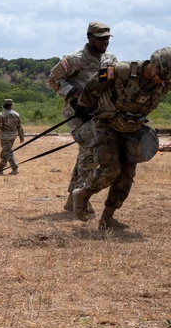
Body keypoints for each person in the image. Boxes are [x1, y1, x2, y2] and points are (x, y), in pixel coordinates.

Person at [71, 48, 171, 230]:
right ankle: (82, 194)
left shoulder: (164, 83)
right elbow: (96, 81)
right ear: (153, 64)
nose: (162, 81)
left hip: (132, 129)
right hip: (107, 125)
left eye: (167, 79)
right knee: (110, 170)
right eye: (161, 75)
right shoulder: (122, 70)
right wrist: (83, 105)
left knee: (126, 176)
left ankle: (107, 218)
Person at [47, 21, 118, 213]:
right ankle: (82, 199)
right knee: (91, 150)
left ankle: (73, 199)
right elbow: (53, 79)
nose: (105, 42)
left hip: (99, 112)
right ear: (89, 38)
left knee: (85, 153)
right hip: (77, 113)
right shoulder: (74, 59)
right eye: (100, 38)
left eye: (107, 38)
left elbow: (113, 82)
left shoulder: (110, 59)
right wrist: (74, 94)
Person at [0, 99, 24, 174]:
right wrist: (21, 137)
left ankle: (14, 169)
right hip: (13, 136)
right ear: (11, 105)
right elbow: (20, 127)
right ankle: (0, 169)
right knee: (5, 152)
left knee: (8, 153)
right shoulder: (16, 114)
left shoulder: (1, 115)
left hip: (5, 137)